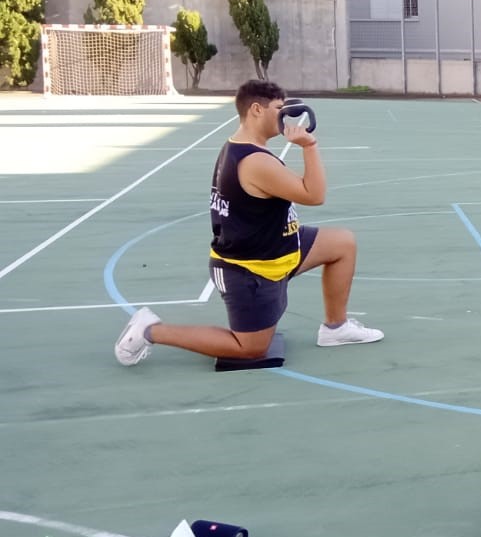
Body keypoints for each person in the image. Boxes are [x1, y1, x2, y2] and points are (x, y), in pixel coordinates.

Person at [114, 79, 383, 366]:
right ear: (257, 109)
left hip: (278, 247)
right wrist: (310, 145)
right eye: (279, 109)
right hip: (250, 270)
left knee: (342, 243)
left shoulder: (239, 146)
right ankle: (150, 330)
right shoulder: (255, 162)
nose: (285, 115)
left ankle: (335, 327)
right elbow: (314, 195)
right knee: (250, 349)